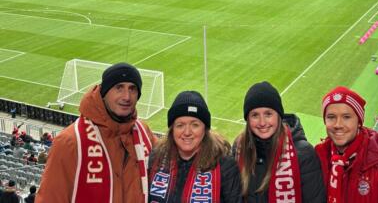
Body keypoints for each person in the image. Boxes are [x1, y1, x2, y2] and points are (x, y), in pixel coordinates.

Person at [36, 63, 157, 203]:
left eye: (133, 89)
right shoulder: (69, 142)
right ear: (104, 93)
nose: (127, 97)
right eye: (119, 88)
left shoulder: (144, 132)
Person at [315, 86, 378, 203]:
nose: (338, 124)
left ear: (359, 122)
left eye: (346, 117)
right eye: (331, 117)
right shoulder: (317, 159)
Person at [232, 81, 326, 202]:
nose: (262, 122)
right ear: (247, 119)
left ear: (279, 116)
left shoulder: (303, 153)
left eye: (268, 114)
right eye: (255, 115)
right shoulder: (239, 148)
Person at [148, 91, 242, 202]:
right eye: (180, 125)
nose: (187, 132)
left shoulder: (225, 166)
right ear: (172, 129)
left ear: (205, 129)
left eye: (195, 125)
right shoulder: (156, 158)